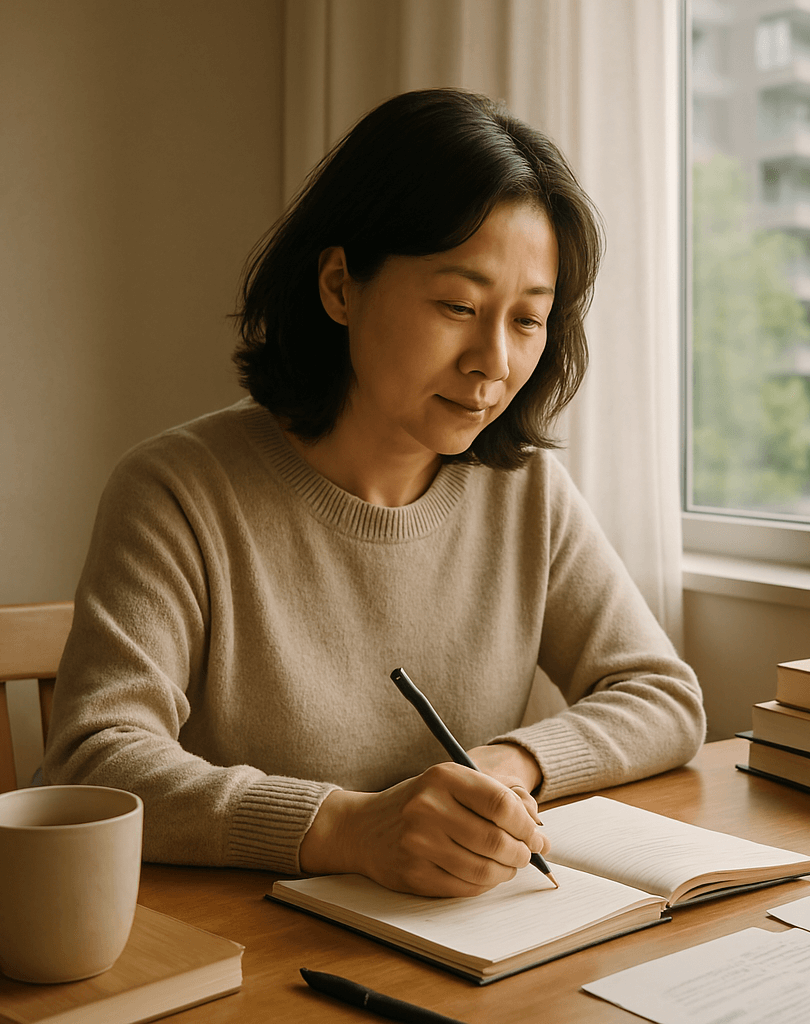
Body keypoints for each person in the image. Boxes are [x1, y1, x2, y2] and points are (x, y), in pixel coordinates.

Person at [43, 88, 705, 898]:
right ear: (340, 287)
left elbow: (664, 695)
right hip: (254, 950)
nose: (493, 361)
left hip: (465, 946)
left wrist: (508, 766)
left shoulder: (525, 492)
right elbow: (95, 759)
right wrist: (346, 828)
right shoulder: (178, 491)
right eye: (458, 306)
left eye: (528, 319)